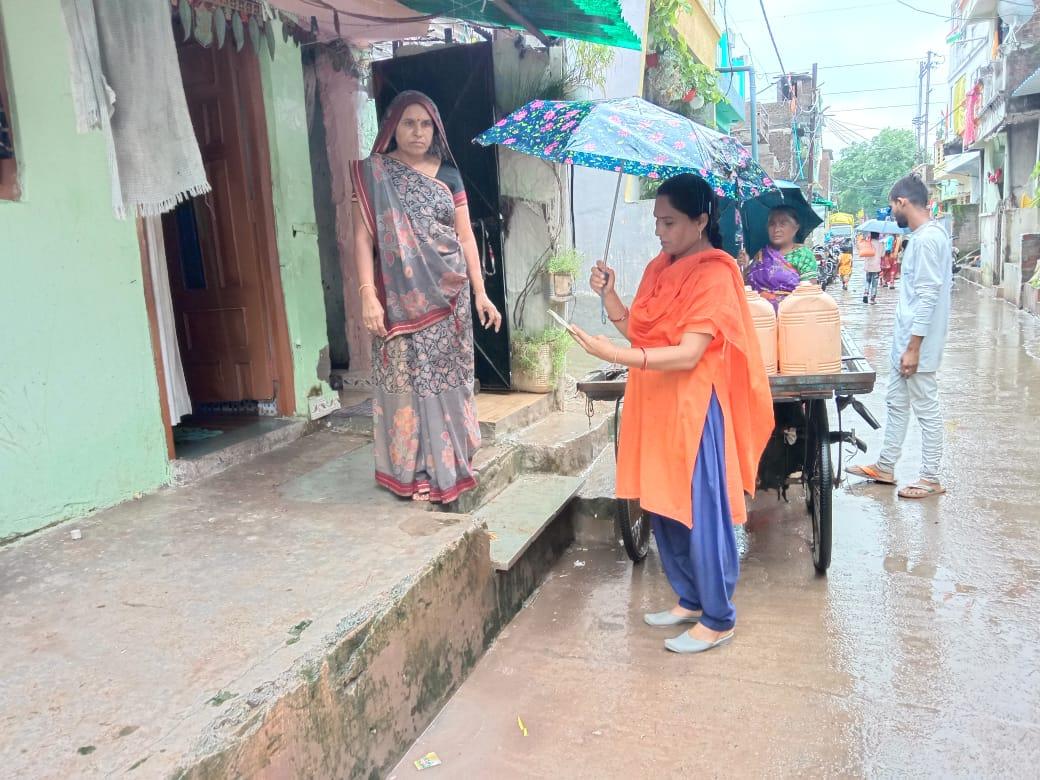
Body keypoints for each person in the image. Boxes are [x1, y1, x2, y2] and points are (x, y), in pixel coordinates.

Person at [569, 174, 774, 654]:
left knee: (701, 510)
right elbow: (640, 329)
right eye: (657, 220)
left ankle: (719, 615)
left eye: (669, 221)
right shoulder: (660, 267)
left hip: (694, 406)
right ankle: (689, 598)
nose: (660, 231)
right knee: (663, 504)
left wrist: (617, 358)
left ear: (701, 220)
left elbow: (686, 354)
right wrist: (609, 295)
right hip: (656, 401)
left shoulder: (716, 274)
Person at [350, 91, 502, 503]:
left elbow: (465, 235)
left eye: (425, 124)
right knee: (402, 381)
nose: (417, 132)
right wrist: (368, 295)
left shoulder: (449, 175)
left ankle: (448, 463)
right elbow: (363, 239)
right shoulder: (374, 175)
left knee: (446, 381)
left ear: (435, 129)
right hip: (395, 300)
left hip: (449, 296)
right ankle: (410, 470)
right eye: (408, 123)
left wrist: (481, 293)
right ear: (391, 128)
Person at [849, 175, 952, 499]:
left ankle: (931, 476)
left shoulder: (926, 240)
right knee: (896, 403)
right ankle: (886, 466)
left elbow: (927, 297)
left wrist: (914, 347)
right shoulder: (926, 237)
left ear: (903, 202)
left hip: (916, 345)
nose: (893, 213)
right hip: (906, 343)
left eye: (893, 206)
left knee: (926, 408)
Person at [743, 206, 817, 311]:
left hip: (792, 316)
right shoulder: (761, 254)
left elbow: (810, 295)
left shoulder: (803, 255)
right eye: (772, 224)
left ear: (796, 227)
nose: (776, 229)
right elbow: (746, 289)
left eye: (783, 224)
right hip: (761, 317)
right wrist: (744, 267)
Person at [859, 231, 883, 304]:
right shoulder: (880, 244)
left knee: (868, 280)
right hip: (876, 266)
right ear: (878, 235)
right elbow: (882, 254)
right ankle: (872, 299)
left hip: (868, 265)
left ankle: (865, 293)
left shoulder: (867, 243)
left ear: (871, 235)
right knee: (874, 283)